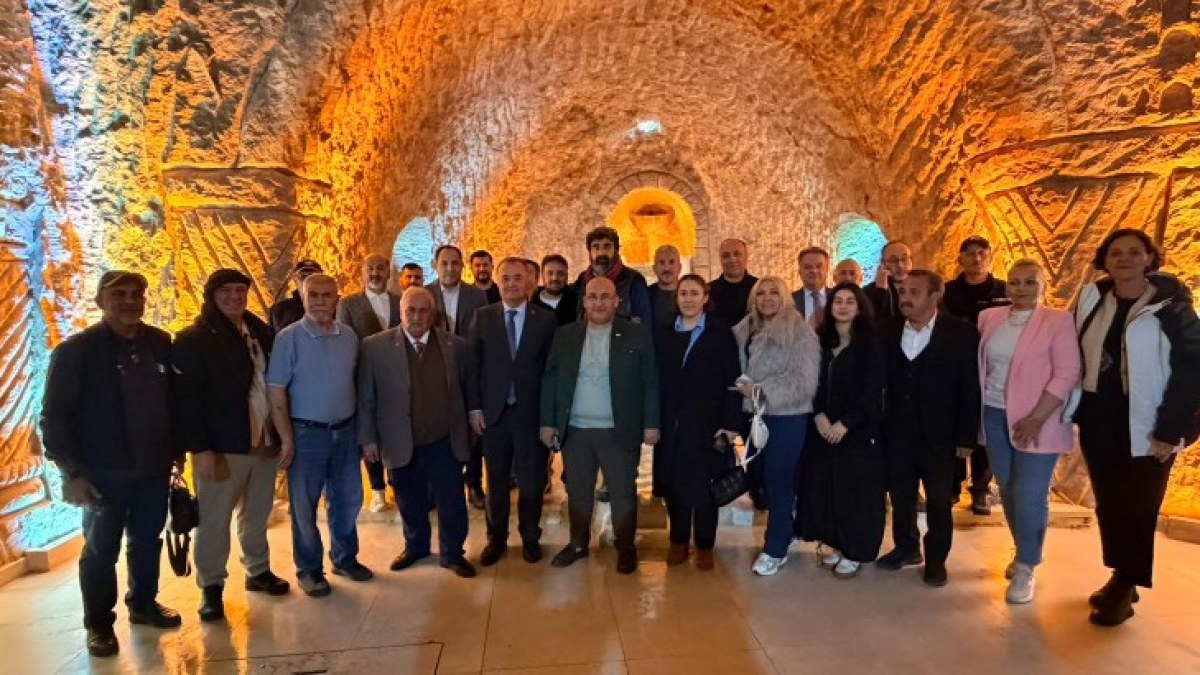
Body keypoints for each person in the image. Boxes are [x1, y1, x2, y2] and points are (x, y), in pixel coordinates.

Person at [41, 271, 181, 657]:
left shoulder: (160, 343)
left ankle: (144, 603)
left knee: (147, 541)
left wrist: (177, 453)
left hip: (152, 468)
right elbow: (54, 417)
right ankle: (99, 625)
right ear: (101, 300)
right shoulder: (76, 352)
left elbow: (173, 402)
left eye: (137, 294)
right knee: (101, 551)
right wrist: (71, 473)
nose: (130, 301)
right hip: (103, 471)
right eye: (119, 294)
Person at [1070, 229, 1200, 626]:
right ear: (1105, 260)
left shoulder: (1171, 307)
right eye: (1115, 253)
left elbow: (1192, 369)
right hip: (1099, 415)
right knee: (1109, 502)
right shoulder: (1093, 299)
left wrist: (1171, 429)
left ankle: (1125, 586)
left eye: (1133, 252)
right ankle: (1121, 575)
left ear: (1149, 258)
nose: (1123, 259)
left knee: (1140, 506)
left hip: (1149, 419)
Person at [173, 268, 291, 624]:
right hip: (223, 446)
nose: (234, 297)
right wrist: (201, 449)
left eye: (240, 290)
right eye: (226, 291)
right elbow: (187, 401)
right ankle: (211, 587)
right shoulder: (193, 339)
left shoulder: (259, 331)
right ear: (212, 295)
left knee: (256, 514)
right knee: (214, 520)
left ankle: (258, 569)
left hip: (263, 440)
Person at [977, 259, 1080, 604]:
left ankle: (1026, 565)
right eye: (1014, 282)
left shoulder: (1058, 321)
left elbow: (1067, 373)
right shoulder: (989, 318)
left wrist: (1036, 417)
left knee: (1030, 493)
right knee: (1007, 488)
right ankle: (1023, 548)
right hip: (993, 413)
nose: (1020, 288)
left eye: (1029, 282)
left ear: (1043, 286)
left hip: (1039, 418)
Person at [542, 277, 660, 575]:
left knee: (622, 492)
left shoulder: (636, 334)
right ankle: (577, 544)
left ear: (616, 301)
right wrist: (548, 422)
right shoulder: (565, 335)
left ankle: (626, 547)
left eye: (605, 297)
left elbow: (650, 382)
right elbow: (551, 380)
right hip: (576, 431)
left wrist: (651, 423)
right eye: (592, 297)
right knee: (578, 493)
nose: (598, 303)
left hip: (619, 430)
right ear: (584, 301)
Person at [359, 287, 477, 578]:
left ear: (432, 313)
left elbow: (468, 390)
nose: (417, 316)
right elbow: (367, 398)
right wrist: (369, 438)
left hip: (444, 440)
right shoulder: (374, 347)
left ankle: (452, 553)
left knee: (451, 501)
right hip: (399, 439)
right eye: (410, 310)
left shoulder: (455, 346)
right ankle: (416, 546)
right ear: (400, 312)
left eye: (423, 311)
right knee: (408, 499)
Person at [267, 274, 372, 597]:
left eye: (327, 295)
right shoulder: (288, 338)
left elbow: (355, 382)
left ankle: (344, 558)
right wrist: (286, 438)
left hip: (345, 431)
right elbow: (276, 391)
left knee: (348, 500)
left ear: (337, 299)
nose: (320, 301)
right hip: (306, 434)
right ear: (303, 298)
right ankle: (309, 569)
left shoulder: (349, 336)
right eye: (313, 295)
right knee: (304, 506)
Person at [875, 270, 980, 588]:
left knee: (938, 501)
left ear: (935, 295)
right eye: (903, 291)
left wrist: (966, 436)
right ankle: (906, 547)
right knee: (901, 496)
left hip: (941, 437)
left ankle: (936, 560)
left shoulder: (960, 333)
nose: (905, 297)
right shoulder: (888, 329)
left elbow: (970, 387)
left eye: (914, 292)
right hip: (898, 433)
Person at [467, 258, 559, 566]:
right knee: (496, 480)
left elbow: (551, 372)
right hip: (494, 415)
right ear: (497, 281)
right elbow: (472, 367)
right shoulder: (483, 317)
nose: (511, 283)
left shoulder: (545, 320)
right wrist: (475, 408)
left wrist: (549, 418)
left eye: (517, 278)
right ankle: (496, 539)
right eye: (505, 278)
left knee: (532, 481)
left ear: (529, 281)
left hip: (530, 416)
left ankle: (530, 537)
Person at [797, 283, 887, 580]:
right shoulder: (819, 342)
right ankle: (836, 542)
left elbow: (872, 390)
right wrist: (818, 415)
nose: (844, 306)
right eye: (838, 301)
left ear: (859, 308)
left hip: (857, 431)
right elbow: (809, 383)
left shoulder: (870, 344)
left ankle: (855, 550)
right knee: (829, 488)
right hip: (823, 429)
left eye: (850, 301)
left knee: (856, 492)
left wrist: (846, 423)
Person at [731, 276, 820, 576]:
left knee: (779, 482)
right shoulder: (743, 330)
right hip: (752, 416)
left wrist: (760, 390)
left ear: (784, 297)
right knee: (760, 480)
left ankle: (775, 549)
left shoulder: (799, 331)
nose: (767, 298)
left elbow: (803, 381)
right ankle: (788, 529)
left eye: (774, 293)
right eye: (761, 293)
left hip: (785, 417)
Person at [653, 274, 741, 571]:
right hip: (672, 425)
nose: (688, 299)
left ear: (705, 297)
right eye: (683, 294)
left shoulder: (719, 332)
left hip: (708, 425)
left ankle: (704, 545)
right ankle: (678, 542)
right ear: (676, 298)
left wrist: (730, 423)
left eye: (694, 293)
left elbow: (732, 380)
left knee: (706, 487)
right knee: (675, 487)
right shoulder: (664, 333)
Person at [943, 236, 1011, 515]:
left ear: (990, 256)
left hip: (993, 368)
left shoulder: (1005, 290)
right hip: (956, 367)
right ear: (960, 259)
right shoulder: (947, 291)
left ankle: (981, 488)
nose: (976, 258)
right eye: (970, 253)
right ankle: (951, 486)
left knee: (987, 426)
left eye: (982, 253)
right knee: (954, 425)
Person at [426, 244, 489, 509]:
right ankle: (437, 488)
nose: (450, 268)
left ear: (462, 266)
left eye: (455, 263)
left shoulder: (477, 296)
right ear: (435, 266)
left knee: (473, 431)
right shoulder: (424, 294)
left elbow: (482, 334)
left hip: (468, 370)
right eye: (445, 263)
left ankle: (474, 484)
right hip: (433, 373)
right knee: (437, 431)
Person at [337, 254, 401, 513]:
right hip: (364, 376)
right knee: (369, 431)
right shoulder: (348, 303)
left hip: (397, 377)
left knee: (396, 432)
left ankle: (397, 484)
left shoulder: (399, 300)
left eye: (380, 268)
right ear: (362, 273)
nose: (375, 273)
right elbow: (345, 340)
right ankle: (377, 490)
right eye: (370, 269)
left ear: (388, 272)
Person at [572, 226, 652, 327]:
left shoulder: (634, 281)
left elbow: (643, 326)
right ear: (589, 252)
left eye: (607, 246)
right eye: (596, 247)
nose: (601, 252)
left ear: (616, 250)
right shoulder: (582, 280)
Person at [709, 238, 759, 328]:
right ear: (720, 259)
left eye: (737, 254)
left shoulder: (759, 288)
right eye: (726, 256)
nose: (732, 259)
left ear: (746, 257)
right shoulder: (707, 291)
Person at [269, 259, 322, 332]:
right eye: (303, 276)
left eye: (313, 276)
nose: (308, 280)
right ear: (295, 279)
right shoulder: (279, 312)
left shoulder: (334, 308)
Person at [864, 241, 911, 320]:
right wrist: (881, 291)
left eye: (904, 259)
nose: (900, 265)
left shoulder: (923, 286)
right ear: (883, 264)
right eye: (893, 260)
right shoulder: (868, 292)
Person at [532, 254, 578, 326]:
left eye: (560, 273)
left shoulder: (576, 301)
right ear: (542, 276)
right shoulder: (532, 303)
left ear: (567, 276)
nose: (555, 278)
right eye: (550, 273)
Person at [648, 244, 682, 334]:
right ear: (654, 269)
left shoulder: (690, 294)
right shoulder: (645, 296)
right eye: (662, 263)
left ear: (680, 267)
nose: (667, 268)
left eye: (671, 262)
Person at [792, 246, 832, 323]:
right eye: (808, 267)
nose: (814, 270)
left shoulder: (837, 297)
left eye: (819, 266)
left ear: (827, 269)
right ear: (799, 271)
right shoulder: (789, 301)